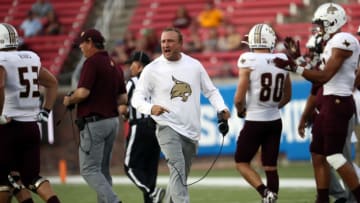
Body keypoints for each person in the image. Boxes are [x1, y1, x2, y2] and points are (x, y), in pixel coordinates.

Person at [131, 27, 231, 203]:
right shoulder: (152, 69)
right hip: (166, 127)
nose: (165, 45)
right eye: (163, 41)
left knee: (179, 178)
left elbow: (211, 91)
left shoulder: (194, 65)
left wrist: (221, 108)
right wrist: (150, 108)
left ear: (180, 44)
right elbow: (136, 99)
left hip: (191, 131)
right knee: (177, 168)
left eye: (170, 41)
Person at [273, 3, 360, 202]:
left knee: (335, 156)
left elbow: (324, 76)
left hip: (338, 102)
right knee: (318, 154)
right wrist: (297, 60)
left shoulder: (343, 39)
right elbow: (315, 79)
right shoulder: (330, 44)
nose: (317, 28)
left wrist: (295, 66)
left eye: (320, 23)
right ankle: (322, 199)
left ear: (332, 22)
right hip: (328, 103)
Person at [63, 28, 127, 203]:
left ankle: (114, 201)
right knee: (103, 170)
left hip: (95, 122)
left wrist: (70, 99)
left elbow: (83, 93)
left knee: (89, 169)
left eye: (82, 44)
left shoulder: (91, 63)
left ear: (90, 42)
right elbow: (123, 97)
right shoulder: (114, 64)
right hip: (112, 121)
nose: (81, 48)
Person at [0, 23, 60, 203]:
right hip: (31, 126)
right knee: (30, 178)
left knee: (3, 179)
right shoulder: (30, 57)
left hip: (8, 125)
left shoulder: (2, 59)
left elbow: (0, 84)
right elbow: (52, 83)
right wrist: (46, 111)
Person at [233, 23, 292, 203]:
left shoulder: (248, 59)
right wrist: (272, 107)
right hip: (274, 120)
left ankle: (265, 193)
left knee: (242, 162)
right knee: (270, 166)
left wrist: (241, 110)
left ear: (252, 41)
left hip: (254, 120)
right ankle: (271, 198)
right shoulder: (282, 59)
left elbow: (238, 98)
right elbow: (287, 96)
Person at [119, 51, 164, 203]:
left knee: (129, 167)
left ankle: (151, 192)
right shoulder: (157, 82)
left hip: (139, 127)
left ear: (139, 66)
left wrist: (123, 111)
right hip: (156, 128)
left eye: (131, 64)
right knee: (150, 171)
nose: (129, 68)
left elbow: (124, 105)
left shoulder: (132, 82)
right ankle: (152, 195)